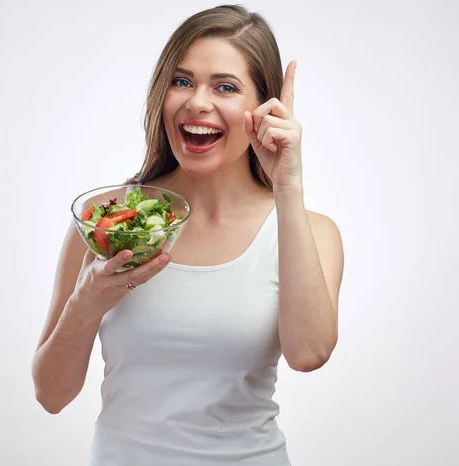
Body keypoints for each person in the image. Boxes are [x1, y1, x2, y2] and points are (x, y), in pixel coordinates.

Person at [31, 4, 344, 465]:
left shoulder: (311, 230)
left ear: (264, 108)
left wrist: (288, 185)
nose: (197, 102)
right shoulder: (108, 222)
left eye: (225, 87)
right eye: (181, 81)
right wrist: (87, 301)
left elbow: (309, 353)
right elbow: (51, 395)